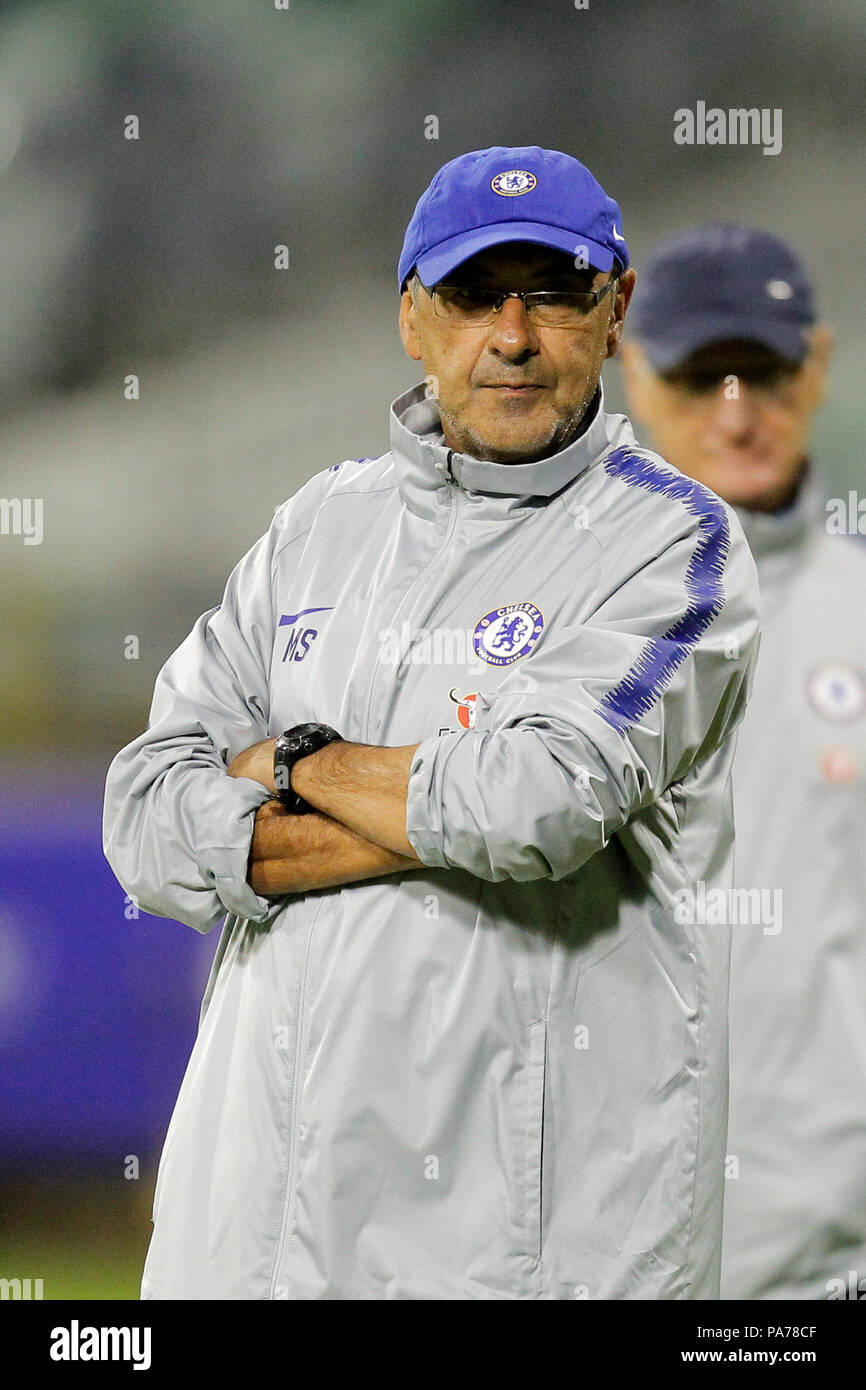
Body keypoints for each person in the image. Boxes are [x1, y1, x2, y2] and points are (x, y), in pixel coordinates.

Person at [103, 147, 760, 1301]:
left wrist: (290, 764)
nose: (509, 335)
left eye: (551, 291)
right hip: (256, 1238)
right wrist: (431, 795)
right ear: (413, 318)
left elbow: (535, 805)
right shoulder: (316, 526)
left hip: (534, 1248)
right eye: (470, 295)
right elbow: (145, 813)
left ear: (617, 312)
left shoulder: (674, 542)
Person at [621, 223, 866, 1301]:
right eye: (695, 373)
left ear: (813, 367)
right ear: (631, 372)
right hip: (597, 1248)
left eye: (759, 371)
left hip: (829, 1257)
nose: (733, 408)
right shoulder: (540, 617)